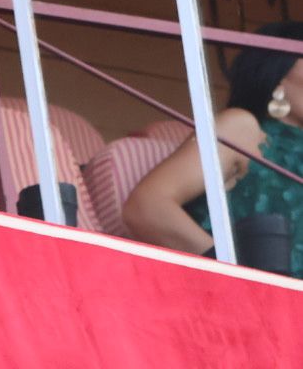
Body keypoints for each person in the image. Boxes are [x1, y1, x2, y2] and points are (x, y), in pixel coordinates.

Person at [124, 21, 303, 276]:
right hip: (234, 306)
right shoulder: (244, 129)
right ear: (279, 73)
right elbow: (147, 207)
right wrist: (234, 275)